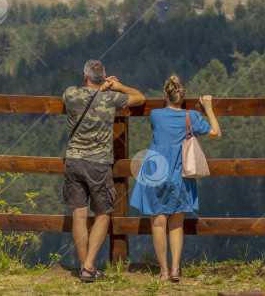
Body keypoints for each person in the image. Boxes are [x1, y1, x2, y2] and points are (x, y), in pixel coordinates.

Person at [129, 74, 221, 282]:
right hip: (179, 174)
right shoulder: (193, 117)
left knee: (158, 223)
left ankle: (162, 271)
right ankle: (175, 269)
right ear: (184, 95)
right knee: (176, 223)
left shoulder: (155, 115)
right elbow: (216, 132)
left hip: (155, 172)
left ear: (166, 93)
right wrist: (207, 108)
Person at [63, 59, 146, 283]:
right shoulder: (111, 99)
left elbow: (83, 95)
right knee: (103, 214)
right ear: (104, 77)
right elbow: (140, 98)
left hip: (74, 161)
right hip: (99, 164)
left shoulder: (71, 94)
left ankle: (84, 266)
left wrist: (99, 87)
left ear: (85, 77)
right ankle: (89, 266)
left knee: (79, 214)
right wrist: (118, 87)